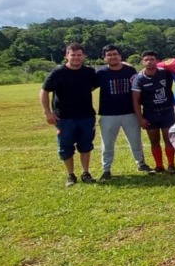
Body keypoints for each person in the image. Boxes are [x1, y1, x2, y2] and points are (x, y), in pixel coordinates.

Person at [40, 43, 98, 186]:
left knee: (85, 145)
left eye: (79, 55)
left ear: (84, 56)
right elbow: (44, 91)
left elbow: (93, 85)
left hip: (86, 116)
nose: (76, 58)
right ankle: (70, 175)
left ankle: (86, 173)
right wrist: (48, 112)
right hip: (64, 118)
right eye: (73, 55)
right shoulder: (57, 73)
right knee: (65, 147)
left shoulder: (89, 72)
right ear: (66, 55)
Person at [96, 44, 150, 180]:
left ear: (120, 56)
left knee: (136, 140)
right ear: (104, 58)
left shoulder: (129, 70)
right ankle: (106, 169)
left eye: (115, 54)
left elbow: (138, 87)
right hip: (108, 114)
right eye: (109, 55)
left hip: (129, 112)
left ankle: (141, 163)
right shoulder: (100, 73)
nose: (112, 57)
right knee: (107, 144)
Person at [131, 51, 175, 174]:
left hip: (167, 111)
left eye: (152, 59)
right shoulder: (139, 79)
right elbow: (135, 100)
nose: (149, 62)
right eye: (146, 59)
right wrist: (140, 118)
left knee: (169, 139)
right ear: (142, 62)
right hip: (150, 113)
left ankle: (171, 164)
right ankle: (159, 165)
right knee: (154, 141)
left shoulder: (166, 73)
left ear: (157, 61)